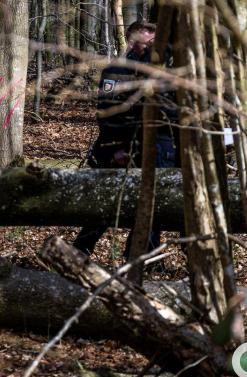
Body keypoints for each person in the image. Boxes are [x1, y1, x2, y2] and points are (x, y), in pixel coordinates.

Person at [72, 21, 179, 258]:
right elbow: (108, 113)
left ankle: (142, 256)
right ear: (133, 39)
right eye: (148, 32)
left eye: (155, 32)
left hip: (159, 146)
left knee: (154, 203)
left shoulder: (162, 68)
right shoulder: (117, 70)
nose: (153, 36)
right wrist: (116, 148)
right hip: (122, 147)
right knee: (111, 201)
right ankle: (81, 249)